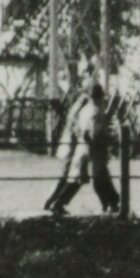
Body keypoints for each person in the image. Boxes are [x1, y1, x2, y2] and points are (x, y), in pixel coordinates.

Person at [43, 81, 120, 216]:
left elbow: (80, 128)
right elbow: (96, 134)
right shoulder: (97, 112)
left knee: (82, 178)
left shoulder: (84, 110)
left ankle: (110, 203)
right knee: (97, 178)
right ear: (100, 97)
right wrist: (109, 138)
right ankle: (111, 202)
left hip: (83, 147)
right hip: (93, 149)